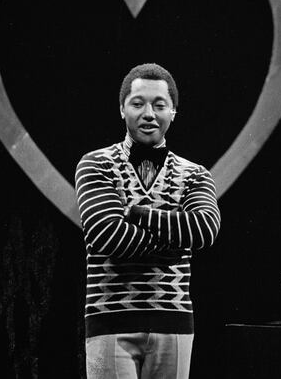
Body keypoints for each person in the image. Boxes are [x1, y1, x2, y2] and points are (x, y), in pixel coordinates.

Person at [76, 63, 221, 379]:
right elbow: (106, 235)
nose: (149, 113)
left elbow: (205, 227)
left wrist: (136, 214)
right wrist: (172, 246)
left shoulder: (195, 174)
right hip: (110, 321)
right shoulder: (96, 164)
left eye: (159, 105)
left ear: (173, 112)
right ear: (122, 108)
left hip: (174, 323)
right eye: (138, 103)